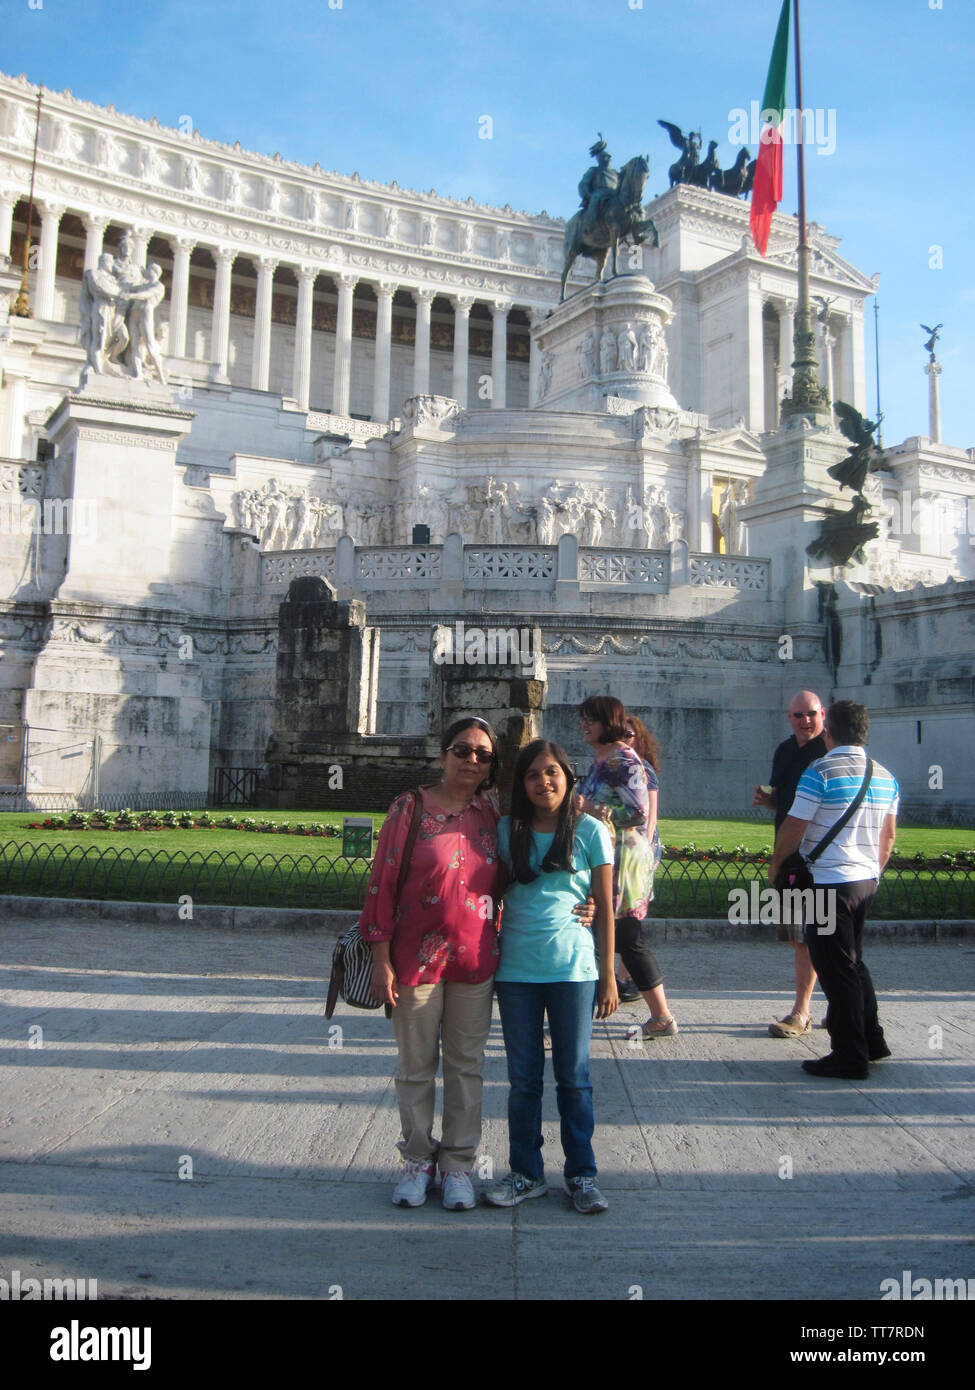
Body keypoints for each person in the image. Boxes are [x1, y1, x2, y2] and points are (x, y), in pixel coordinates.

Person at [360, 717, 502, 1211]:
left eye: (483, 755)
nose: (472, 761)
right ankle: (418, 1160)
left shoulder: (492, 812)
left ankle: (459, 1165)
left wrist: (587, 903)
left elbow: (531, 868)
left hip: (475, 960)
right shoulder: (410, 807)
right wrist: (380, 957)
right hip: (415, 961)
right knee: (416, 1067)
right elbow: (381, 882)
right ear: (443, 755)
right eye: (463, 750)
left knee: (467, 1067)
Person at [483, 740, 617, 1214]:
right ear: (522, 784)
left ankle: (581, 1173)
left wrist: (609, 975)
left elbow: (606, 908)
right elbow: (487, 892)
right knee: (523, 1079)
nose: (545, 782)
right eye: (534, 775)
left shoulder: (591, 832)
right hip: (516, 971)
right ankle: (526, 1172)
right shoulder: (505, 832)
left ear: (568, 776)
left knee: (574, 1077)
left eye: (553, 772)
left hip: (573, 971)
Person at [769, 700, 899, 1080]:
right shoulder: (885, 775)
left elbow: (795, 826)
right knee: (854, 962)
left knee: (834, 968)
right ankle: (871, 1040)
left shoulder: (820, 770)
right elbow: (887, 837)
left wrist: (778, 864)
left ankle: (849, 1054)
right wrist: (873, 871)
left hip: (827, 882)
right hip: (864, 880)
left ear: (830, 732)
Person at [576, 695, 677, 1040]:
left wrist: (589, 807)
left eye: (591, 719)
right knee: (616, 937)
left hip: (622, 861)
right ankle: (656, 1014)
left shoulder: (624, 761)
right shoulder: (602, 759)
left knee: (625, 937)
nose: (584, 725)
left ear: (609, 722)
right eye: (583, 719)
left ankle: (659, 1016)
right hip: (605, 856)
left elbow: (637, 814)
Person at [753, 691, 827, 1038]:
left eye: (810, 714)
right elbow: (786, 805)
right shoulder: (785, 750)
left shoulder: (829, 752)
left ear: (822, 714)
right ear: (789, 717)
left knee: (808, 937)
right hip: (792, 857)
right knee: (809, 935)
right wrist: (769, 801)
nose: (805, 721)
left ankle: (802, 1012)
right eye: (798, 715)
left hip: (819, 858)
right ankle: (841, 1007)